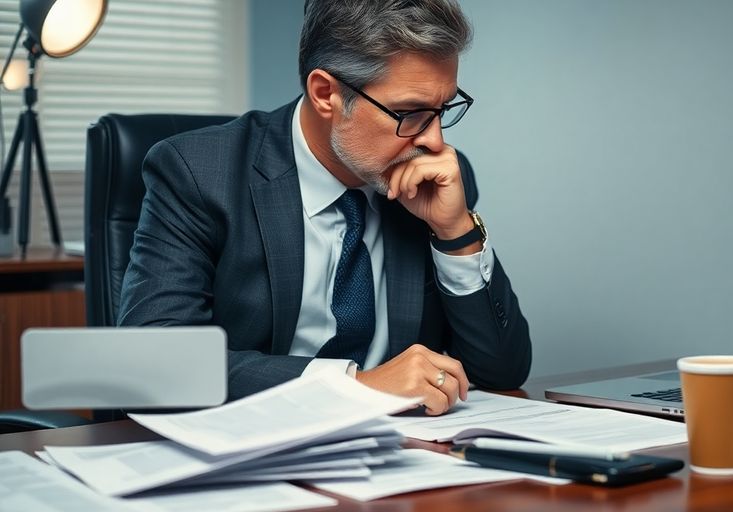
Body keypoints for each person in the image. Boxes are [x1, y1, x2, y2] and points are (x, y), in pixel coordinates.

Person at [117, 0, 531, 415]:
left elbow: (502, 373)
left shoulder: (435, 181)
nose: (435, 141)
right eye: (410, 113)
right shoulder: (200, 174)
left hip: (401, 457)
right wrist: (354, 386)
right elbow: (158, 364)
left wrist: (455, 231)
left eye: (443, 109)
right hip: (250, 452)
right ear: (325, 94)